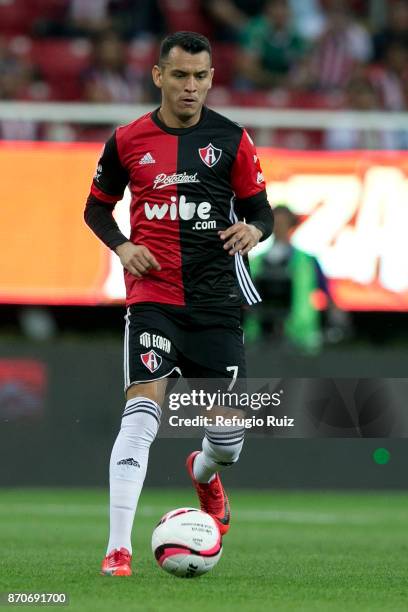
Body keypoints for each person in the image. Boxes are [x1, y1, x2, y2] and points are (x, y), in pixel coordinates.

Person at [84, 31, 273, 576]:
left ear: (211, 79)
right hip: (154, 298)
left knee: (228, 443)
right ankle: (117, 549)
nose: (191, 86)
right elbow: (95, 209)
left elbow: (263, 211)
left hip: (216, 302)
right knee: (141, 413)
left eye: (201, 76)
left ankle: (206, 473)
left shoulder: (233, 140)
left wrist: (252, 232)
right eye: (181, 75)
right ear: (159, 76)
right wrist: (122, 245)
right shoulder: (127, 140)